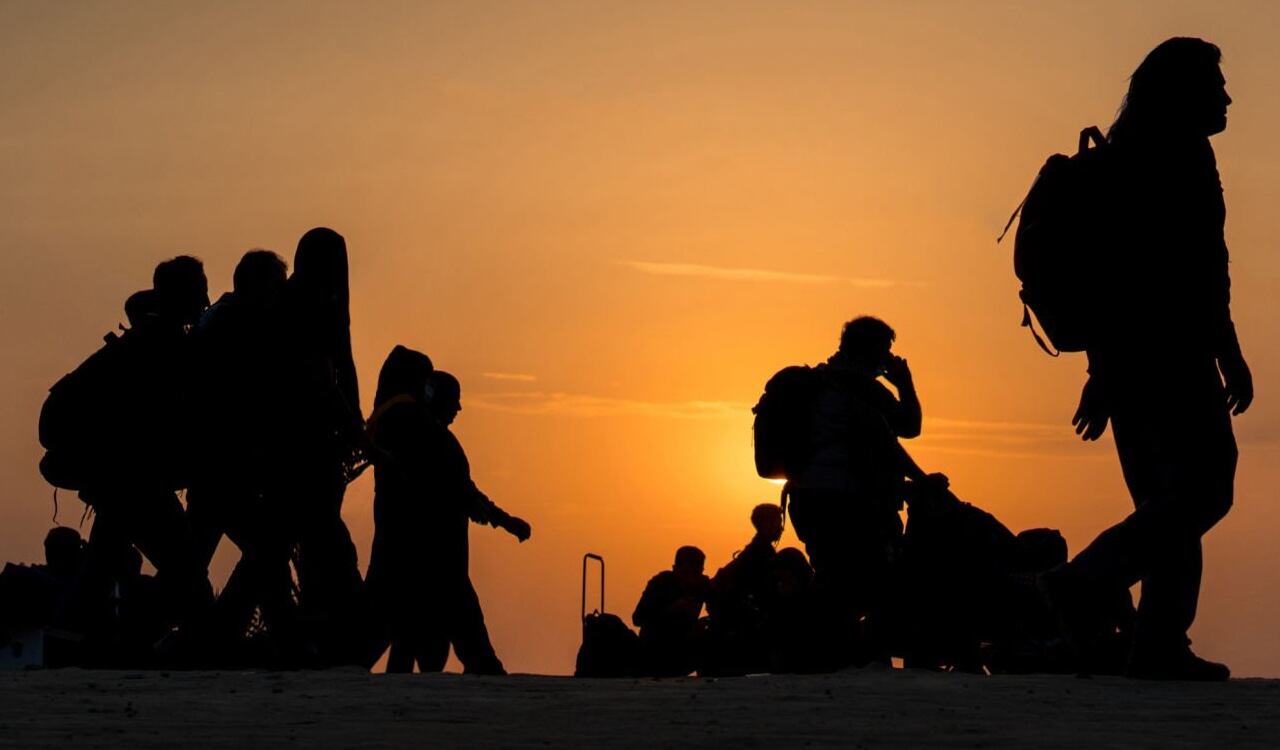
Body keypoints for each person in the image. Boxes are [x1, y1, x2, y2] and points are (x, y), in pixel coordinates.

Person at [1045, 37, 1250, 681]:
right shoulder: (1169, 157)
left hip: (1133, 359)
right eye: (1214, 85)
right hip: (1163, 357)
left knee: (1168, 507)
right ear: (1182, 91)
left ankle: (1158, 645)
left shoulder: (1143, 152)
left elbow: (1163, 273)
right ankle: (1079, 585)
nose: (1226, 96)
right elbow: (1171, 273)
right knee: (1204, 491)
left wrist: (1102, 373)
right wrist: (1225, 353)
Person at [70, 258, 215, 658]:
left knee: (101, 567)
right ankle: (131, 646)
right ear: (182, 295)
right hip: (137, 481)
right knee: (188, 578)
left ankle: (91, 646)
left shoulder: (152, 339)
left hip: (123, 480)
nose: (206, 297)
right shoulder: (160, 346)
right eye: (199, 288)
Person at [785, 316, 945, 668]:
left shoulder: (818, 382)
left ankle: (819, 655)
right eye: (886, 350)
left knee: (833, 576)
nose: (888, 357)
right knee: (873, 580)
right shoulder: (861, 387)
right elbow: (904, 430)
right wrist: (905, 383)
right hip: (851, 503)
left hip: (808, 501)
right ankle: (857, 657)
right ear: (873, 350)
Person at [365, 354, 531, 674]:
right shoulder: (425, 434)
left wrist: (498, 518)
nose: (458, 409)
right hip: (438, 562)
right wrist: (505, 520)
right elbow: (461, 490)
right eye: (454, 401)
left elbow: (459, 491)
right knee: (464, 641)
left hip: (412, 560)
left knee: (402, 635)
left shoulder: (400, 428)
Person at [187, 250, 298, 654]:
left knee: (197, 558)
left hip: (214, 463)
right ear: (258, 284)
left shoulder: (218, 318)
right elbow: (242, 400)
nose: (281, 295)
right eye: (276, 285)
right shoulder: (236, 324)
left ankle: (218, 636)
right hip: (225, 464)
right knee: (266, 549)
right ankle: (266, 639)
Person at [276, 228, 367, 663]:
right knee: (318, 544)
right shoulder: (309, 308)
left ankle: (314, 636)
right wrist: (354, 429)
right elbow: (323, 379)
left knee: (297, 545)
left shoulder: (313, 304)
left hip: (315, 445)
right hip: (303, 447)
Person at [703, 504, 784, 675]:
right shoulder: (758, 555)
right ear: (763, 524)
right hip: (739, 619)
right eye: (776, 522)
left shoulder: (758, 551)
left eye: (780, 521)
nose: (780, 527)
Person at [632, 545, 710, 677]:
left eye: (696, 573)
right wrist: (670, 611)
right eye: (685, 573)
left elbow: (722, 607)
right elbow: (637, 618)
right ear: (675, 569)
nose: (690, 579)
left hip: (684, 650)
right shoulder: (661, 583)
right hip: (656, 652)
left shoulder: (702, 584)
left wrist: (706, 621)